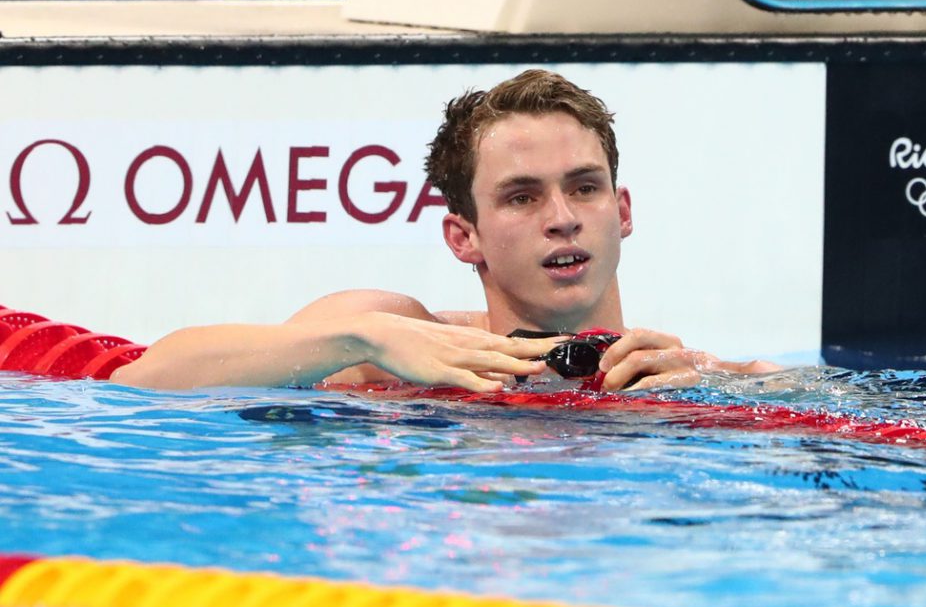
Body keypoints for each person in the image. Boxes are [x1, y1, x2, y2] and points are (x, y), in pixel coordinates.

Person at [113, 69, 776, 392]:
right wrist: (361, 337)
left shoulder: (685, 374)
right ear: (465, 237)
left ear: (622, 210)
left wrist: (707, 399)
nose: (563, 216)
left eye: (583, 186)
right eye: (522, 196)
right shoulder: (395, 338)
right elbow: (145, 382)